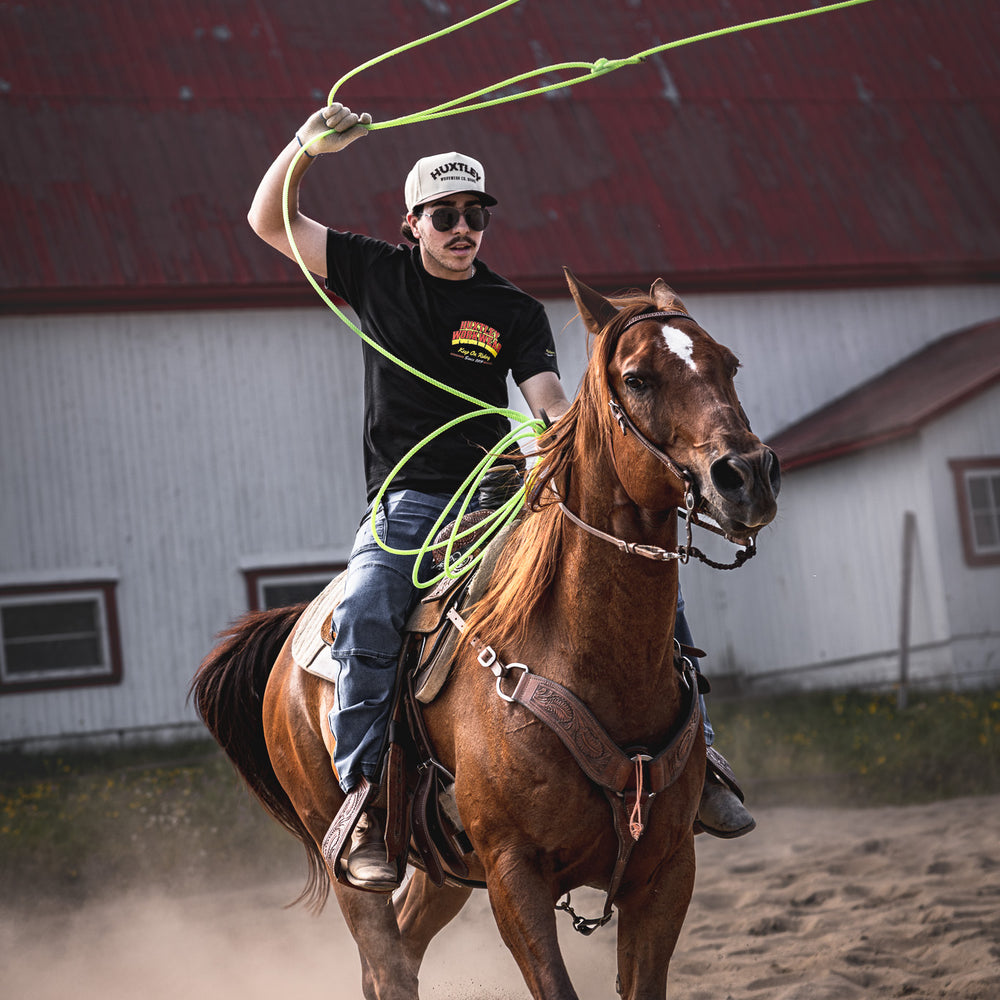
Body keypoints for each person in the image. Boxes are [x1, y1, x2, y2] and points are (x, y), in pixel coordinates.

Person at [247, 103, 751, 891]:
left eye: (474, 215)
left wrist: (567, 437)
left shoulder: (512, 309)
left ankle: (703, 761)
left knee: (643, 568)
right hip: (410, 500)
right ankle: (363, 803)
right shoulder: (372, 272)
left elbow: (546, 395)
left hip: (501, 494)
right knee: (371, 608)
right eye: (444, 215)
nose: (461, 228)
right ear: (411, 222)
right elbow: (268, 219)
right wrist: (307, 145)